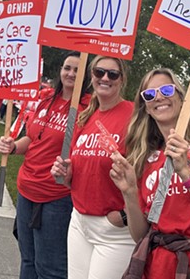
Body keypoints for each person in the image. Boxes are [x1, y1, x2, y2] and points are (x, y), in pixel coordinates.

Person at [109, 68, 190, 279]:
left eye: (166, 89)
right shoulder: (147, 158)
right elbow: (141, 236)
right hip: (157, 268)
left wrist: (185, 172)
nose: (159, 97)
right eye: (150, 95)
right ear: (147, 108)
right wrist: (129, 192)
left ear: (182, 97)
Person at [0, 51, 91, 279]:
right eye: (67, 68)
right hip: (26, 188)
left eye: (77, 70)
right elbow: (30, 139)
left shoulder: (88, 108)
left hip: (56, 195)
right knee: (27, 258)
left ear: (86, 76)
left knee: (50, 267)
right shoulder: (46, 100)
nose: (70, 73)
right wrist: (12, 146)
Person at [50, 55, 136, 279]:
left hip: (114, 231)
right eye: (99, 72)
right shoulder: (86, 116)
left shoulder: (134, 116)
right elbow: (77, 172)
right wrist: (65, 174)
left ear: (122, 79)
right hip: (79, 220)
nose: (105, 78)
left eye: (112, 74)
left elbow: (148, 170)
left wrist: (125, 216)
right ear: (91, 76)